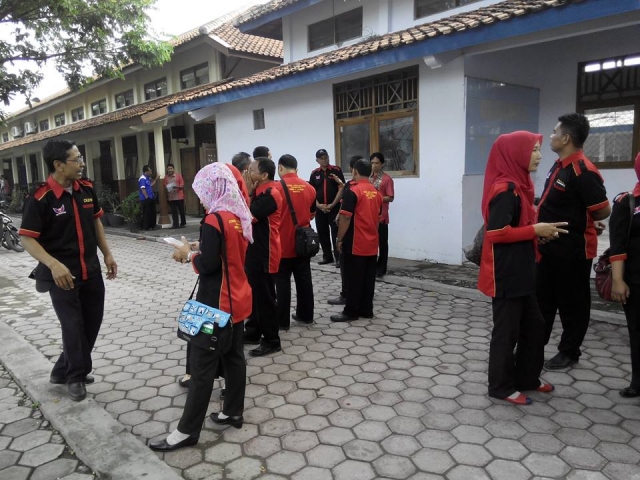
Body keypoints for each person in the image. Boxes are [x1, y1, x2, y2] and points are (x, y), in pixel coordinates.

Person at [149, 163, 253, 452]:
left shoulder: (214, 219)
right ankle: (232, 412)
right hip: (238, 299)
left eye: (204, 191)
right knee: (234, 358)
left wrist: (187, 255)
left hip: (216, 304)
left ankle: (187, 431)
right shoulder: (236, 216)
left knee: (201, 366)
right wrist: (199, 246)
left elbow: (208, 265)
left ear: (214, 188)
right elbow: (226, 253)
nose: (202, 197)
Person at [18, 139, 118, 402]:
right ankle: (75, 377)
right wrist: (52, 264)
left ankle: (61, 370)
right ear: (59, 165)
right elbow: (27, 238)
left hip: (91, 270)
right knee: (73, 326)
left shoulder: (86, 189)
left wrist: (107, 253)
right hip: (62, 276)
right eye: (77, 159)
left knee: (91, 323)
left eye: (81, 158)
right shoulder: (40, 198)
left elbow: (96, 222)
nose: (81, 164)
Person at [479, 131, 566, 405]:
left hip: (523, 270)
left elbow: (520, 227)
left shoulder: (521, 185)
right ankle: (500, 386)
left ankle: (527, 377)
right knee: (506, 333)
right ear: (515, 153)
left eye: (539, 149)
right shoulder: (505, 190)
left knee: (535, 326)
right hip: (506, 273)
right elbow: (496, 233)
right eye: (533, 150)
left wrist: (538, 233)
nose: (539, 156)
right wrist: (534, 230)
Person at [537, 113, 611, 370]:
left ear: (566, 138)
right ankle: (532, 347)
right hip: (549, 248)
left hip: (572, 251)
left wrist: (586, 220)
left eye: (554, 132)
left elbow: (603, 210)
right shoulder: (560, 166)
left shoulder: (583, 171)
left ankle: (569, 352)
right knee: (543, 300)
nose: (551, 136)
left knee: (573, 304)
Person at [330, 158, 382, 323]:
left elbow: (345, 218)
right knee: (368, 278)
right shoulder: (376, 192)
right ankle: (366, 310)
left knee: (353, 278)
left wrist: (339, 239)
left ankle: (351, 311)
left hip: (356, 241)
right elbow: (378, 217)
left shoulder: (353, 191)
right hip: (372, 241)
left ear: (355, 171)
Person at [242, 157, 283, 356]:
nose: (247, 173)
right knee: (255, 295)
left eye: (251, 170)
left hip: (266, 252)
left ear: (264, 175)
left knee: (266, 298)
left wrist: (247, 192)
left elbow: (247, 217)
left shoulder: (270, 194)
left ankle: (272, 340)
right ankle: (253, 332)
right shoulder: (259, 192)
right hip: (255, 251)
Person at [274, 154, 317, 330]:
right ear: (296, 168)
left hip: (282, 244)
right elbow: (312, 214)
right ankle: (306, 316)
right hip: (303, 244)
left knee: (282, 283)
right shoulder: (310, 188)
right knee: (304, 280)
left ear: (280, 167)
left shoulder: (276, 188)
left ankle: (282, 322)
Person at [609, 152, 640, 399]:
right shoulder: (627, 202)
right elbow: (617, 246)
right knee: (637, 332)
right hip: (636, 281)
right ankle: (638, 382)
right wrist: (618, 280)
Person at [328, 155, 362, 306]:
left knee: (346, 265)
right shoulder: (371, 188)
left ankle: (346, 294)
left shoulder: (352, 187)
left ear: (353, 169)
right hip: (365, 235)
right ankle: (362, 295)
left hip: (350, 234)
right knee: (362, 268)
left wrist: (339, 238)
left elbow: (345, 214)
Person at [308, 149, 345, 266]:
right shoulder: (315, 173)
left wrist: (332, 204)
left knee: (335, 233)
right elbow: (311, 192)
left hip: (334, 207)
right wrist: (319, 205)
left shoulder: (336, 170)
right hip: (320, 209)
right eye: (322, 158)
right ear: (317, 160)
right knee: (322, 233)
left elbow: (342, 187)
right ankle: (327, 256)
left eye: (326, 158)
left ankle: (338, 258)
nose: (324, 160)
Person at [369, 152, 395, 277]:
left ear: (382, 164)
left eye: (377, 163)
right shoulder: (367, 178)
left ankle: (381, 268)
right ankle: (371, 266)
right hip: (368, 215)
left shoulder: (386, 179)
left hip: (381, 216)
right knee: (370, 242)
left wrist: (376, 197)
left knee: (382, 243)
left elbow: (390, 197)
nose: (374, 166)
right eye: (372, 163)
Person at [164, 163, 186, 229]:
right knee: (174, 211)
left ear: (173, 169)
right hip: (171, 197)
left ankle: (183, 223)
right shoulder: (166, 177)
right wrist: (168, 188)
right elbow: (165, 185)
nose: (170, 170)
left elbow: (182, 186)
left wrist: (176, 186)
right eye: (168, 169)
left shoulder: (179, 176)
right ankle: (175, 224)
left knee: (181, 210)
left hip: (179, 196)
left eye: (171, 168)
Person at [139, 165, 159, 230]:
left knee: (153, 212)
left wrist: (156, 179)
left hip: (151, 197)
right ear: (146, 171)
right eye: (150, 171)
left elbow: (150, 185)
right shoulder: (142, 178)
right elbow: (143, 189)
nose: (151, 172)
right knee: (147, 213)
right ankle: (146, 227)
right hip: (146, 199)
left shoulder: (147, 178)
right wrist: (147, 197)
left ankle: (152, 226)